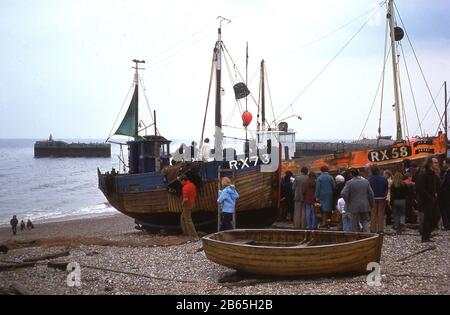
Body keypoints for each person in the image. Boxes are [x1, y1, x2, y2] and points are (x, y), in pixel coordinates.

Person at [415, 157, 440, 242]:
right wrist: (430, 198)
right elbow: (421, 189)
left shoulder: (433, 175)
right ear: (430, 164)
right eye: (435, 163)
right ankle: (425, 237)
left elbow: (438, 186)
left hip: (432, 200)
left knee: (436, 217)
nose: (437, 164)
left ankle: (426, 234)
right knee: (428, 219)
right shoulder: (423, 175)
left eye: (437, 162)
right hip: (425, 201)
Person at [341, 168, 374, 232]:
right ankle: (367, 235)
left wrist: (348, 201)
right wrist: (371, 204)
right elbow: (371, 194)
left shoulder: (349, 183)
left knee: (354, 223)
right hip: (364, 205)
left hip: (353, 206)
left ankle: (356, 237)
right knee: (365, 221)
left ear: (351, 175)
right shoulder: (366, 182)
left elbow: (343, 193)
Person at [368, 164, 388, 233]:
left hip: (373, 197)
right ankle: (380, 229)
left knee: (373, 213)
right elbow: (386, 188)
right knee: (380, 214)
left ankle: (373, 229)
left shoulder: (369, 179)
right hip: (381, 197)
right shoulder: (383, 178)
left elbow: (368, 190)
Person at [439, 158, 450, 230]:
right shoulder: (445, 172)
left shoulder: (448, 173)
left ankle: (447, 225)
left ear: (447, 164)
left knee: (446, 210)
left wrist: (441, 191)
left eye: (444, 163)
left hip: (446, 195)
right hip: (445, 195)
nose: (443, 164)